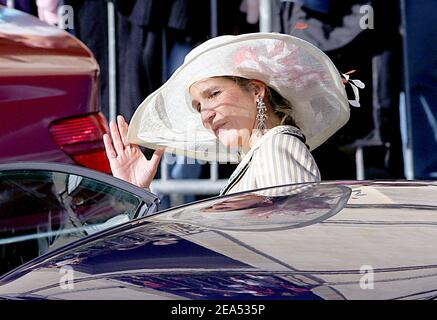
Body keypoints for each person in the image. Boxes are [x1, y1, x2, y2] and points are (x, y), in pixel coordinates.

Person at [103, 32, 359, 197]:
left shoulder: (277, 146)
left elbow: (292, 242)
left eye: (213, 94)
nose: (206, 115)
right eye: (198, 106)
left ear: (256, 90)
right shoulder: (263, 154)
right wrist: (138, 191)